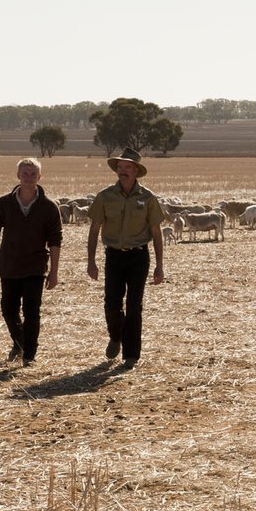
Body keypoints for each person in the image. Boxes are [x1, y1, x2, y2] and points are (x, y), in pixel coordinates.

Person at [87, 148, 165, 367]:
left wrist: (159, 266)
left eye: (127, 167)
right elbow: (94, 230)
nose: (123, 171)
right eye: (120, 167)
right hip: (113, 257)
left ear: (136, 171)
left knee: (134, 306)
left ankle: (131, 355)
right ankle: (116, 336)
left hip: (139, 257)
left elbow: (156, 232)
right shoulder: (105, 196)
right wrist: (91, 261)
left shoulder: (148, 198)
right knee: (111, 304)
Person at [0, 157, 63, 368]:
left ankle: (29, 354)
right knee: (8, 310)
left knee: (31, 310)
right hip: (9, 265)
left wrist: (54, 271)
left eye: (33, 174)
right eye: (25, 174)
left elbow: (55, 240)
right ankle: (20, 342)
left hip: (35, 267)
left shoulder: (49, 207)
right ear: (18, 176)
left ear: (40, 177)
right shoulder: (3, 204)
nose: (29, 178)